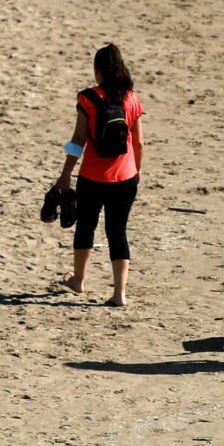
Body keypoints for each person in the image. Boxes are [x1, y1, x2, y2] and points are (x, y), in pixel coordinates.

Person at [53, 44, 144, 306]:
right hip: (125, 178)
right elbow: (138, 143)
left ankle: (78, 281)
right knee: (118, 232)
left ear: (98, 69)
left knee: (86, 227)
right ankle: (119, 294)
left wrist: (65, 174)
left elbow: (78, 140)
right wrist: (135, 172)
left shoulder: (87, 99)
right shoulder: (132, 99)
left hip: (92, 177)